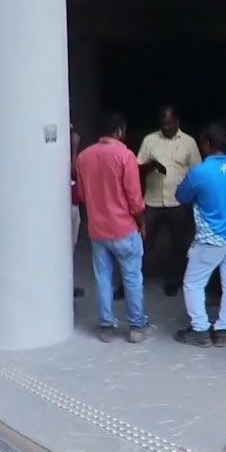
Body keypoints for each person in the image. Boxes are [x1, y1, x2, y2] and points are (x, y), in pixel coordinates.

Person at [71, 111, 147, 341]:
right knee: (131, 276)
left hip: (98, 230)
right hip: (124, 228)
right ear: (120, 131)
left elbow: (83, 195)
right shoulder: (125, 156)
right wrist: (142, 224)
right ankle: (136, 327)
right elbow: (135, 199)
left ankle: (106, 326)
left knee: (103, 276)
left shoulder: (83, 157)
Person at [175, 122, 226, 348]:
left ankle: (199, 329)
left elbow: (181, 196)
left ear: (206, 144)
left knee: (193, 283)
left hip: (211, 239)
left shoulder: (199, 172)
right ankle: (222, 329)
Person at [135, 104, 199, 296]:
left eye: (169, 124)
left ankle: (174, 279)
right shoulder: (150, 140)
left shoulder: (189, 142)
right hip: (152, 200)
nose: (166, 127)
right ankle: (133, 280)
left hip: (178, 202)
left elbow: (197, 172)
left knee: (179, 243)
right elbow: (137, 167)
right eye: (163, 123)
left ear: (177, 122)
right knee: (142, 242)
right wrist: (150, 166)